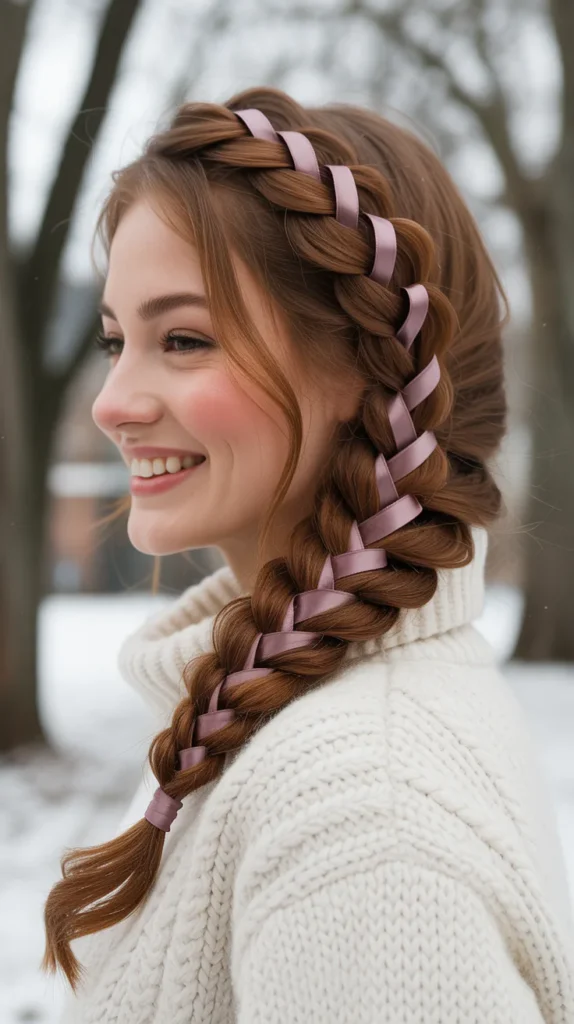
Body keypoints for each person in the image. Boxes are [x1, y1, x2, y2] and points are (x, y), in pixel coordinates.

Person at [42, 85, 574, 1023]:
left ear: (374, 373)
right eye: (116, 339)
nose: (112, 402)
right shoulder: (268, 705)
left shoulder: (362, 820)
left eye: (183, 339)